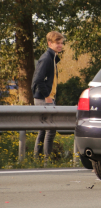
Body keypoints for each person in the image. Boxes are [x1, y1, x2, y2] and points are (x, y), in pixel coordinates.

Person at [31, 31, 65, 161]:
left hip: (45, 97)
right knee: (50, 129)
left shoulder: (52, 58)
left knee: (43, 130)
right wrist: (47, 96)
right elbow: (38, 79)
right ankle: (47, 160)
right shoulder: (46, 58)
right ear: (49, 43)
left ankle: (38, 159)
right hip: (44, 98)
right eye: (57, 43)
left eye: (61, 43)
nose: (60, 45)